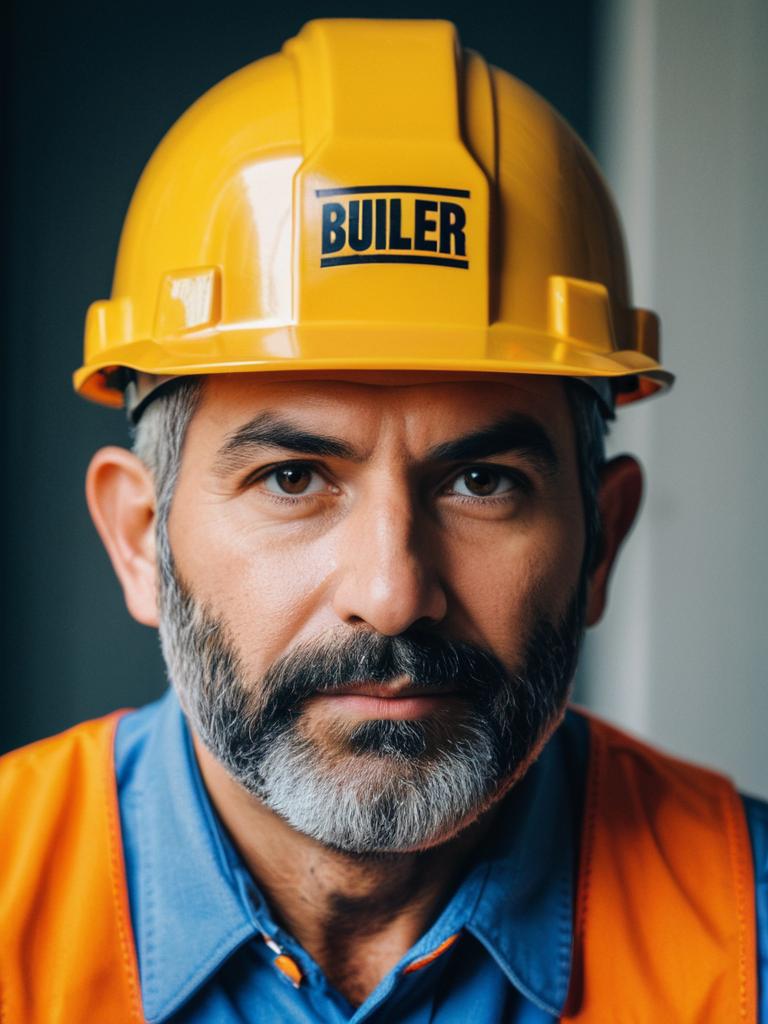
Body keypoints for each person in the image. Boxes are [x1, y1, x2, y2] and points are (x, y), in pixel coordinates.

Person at [1, 16, 765, 1023]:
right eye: (293, 478)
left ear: (601, 539)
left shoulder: (747, 929)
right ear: (140, 538)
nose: (394, 594)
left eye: (483, 481)